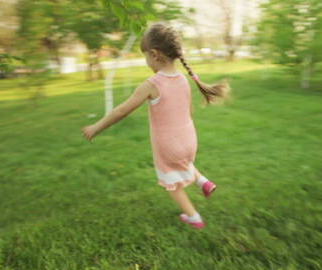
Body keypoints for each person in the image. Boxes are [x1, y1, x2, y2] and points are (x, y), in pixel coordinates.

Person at [81, 23, 230, 229]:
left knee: (172, 184)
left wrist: (95, 127)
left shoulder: (152, 84)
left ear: (154, 54)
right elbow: (189, 112)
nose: (146, 61)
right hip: (189, 139)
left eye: (145, 56)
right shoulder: (183, 80)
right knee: (184, 161)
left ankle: (193, 217)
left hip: (168, 145)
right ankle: (203, 182)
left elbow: (121, 111)